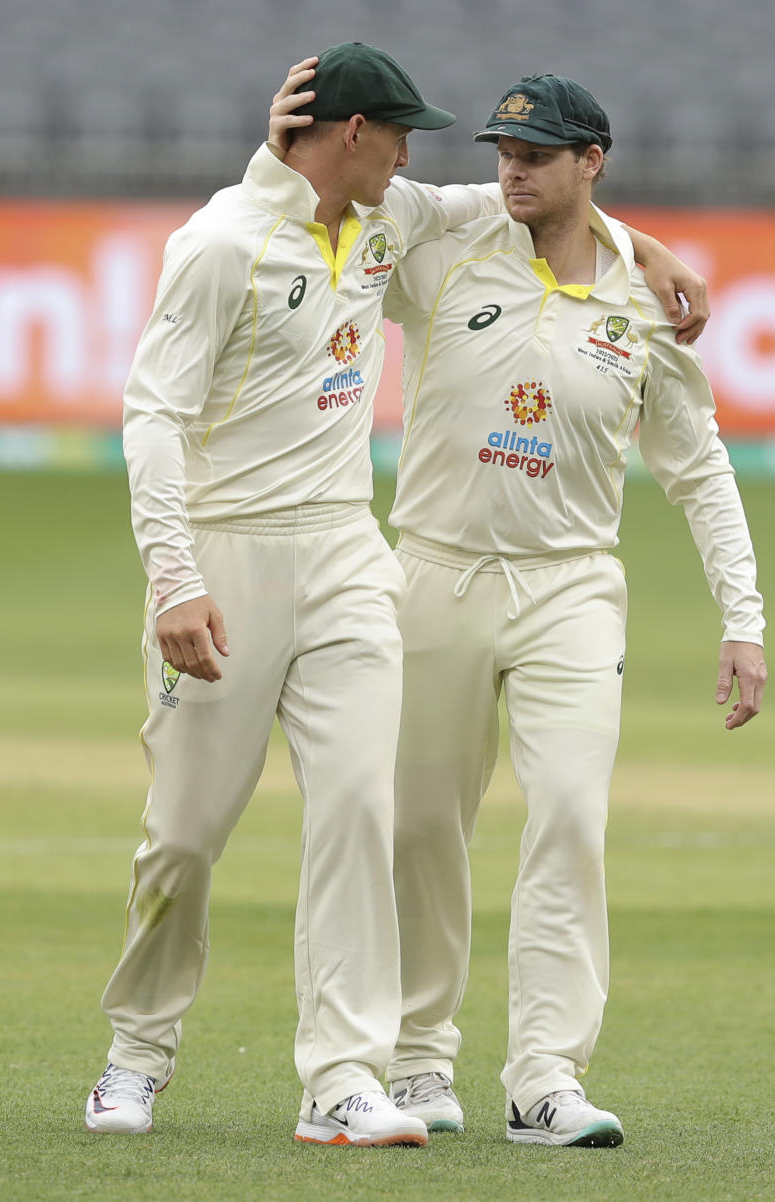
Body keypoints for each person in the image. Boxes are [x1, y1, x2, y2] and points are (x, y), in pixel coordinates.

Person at [85, 45, 712, 1147]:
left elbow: (547, 201)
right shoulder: (222, 243)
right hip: (224, 563)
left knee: (360, 813)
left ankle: (342, 1076)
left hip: (345, 558)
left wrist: (649, 251)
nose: (420, 156)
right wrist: (174, 578)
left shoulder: (391, 215)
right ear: (353, 136)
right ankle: (136, 1050)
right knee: (184, 837)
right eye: (401, 134)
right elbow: (151, 418)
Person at [376, 75, 768, 1146]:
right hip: (436, 575)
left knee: (568, 816)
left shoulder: (645, 306)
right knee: (418, 825)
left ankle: (545, 1075)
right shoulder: (448, 253)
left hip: (571, 590)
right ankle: (416, 1060)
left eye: (538, 154)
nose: (513, 167)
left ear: (591, 159)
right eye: (506, 149)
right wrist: (639, 233)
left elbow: (699, 470)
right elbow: (389, 206)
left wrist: (745, 617)